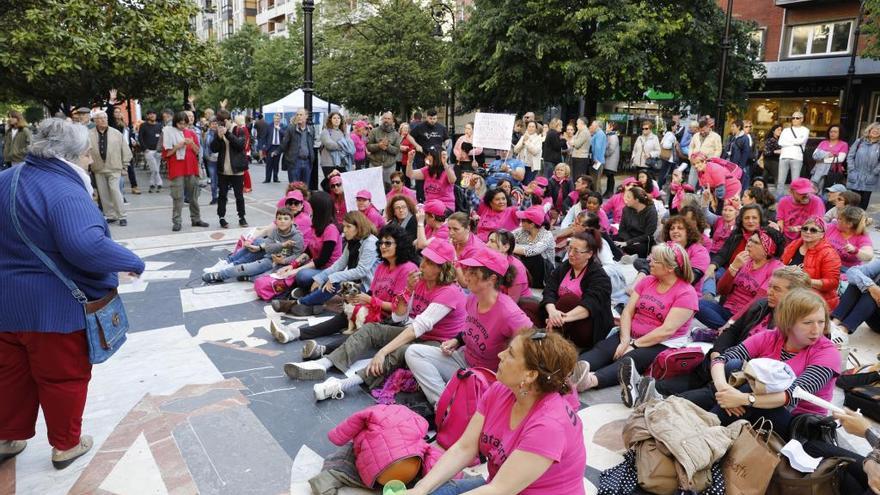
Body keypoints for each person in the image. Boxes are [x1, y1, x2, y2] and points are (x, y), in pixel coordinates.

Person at [0, 118, 145, 469]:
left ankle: (8, 437)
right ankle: (65, 445)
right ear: (70, 155)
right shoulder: (64, 191)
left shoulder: (5, 179)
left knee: (10, 375)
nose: (91, 161)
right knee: (62, 377)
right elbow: (85, 246)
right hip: (54, 310)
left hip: (6, 305)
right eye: (86, 155)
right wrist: (132, 260)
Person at [408, 330, 586, 495]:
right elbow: (465, 447)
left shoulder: (549, 426)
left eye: (510, 354)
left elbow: (499, 490)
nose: (501, 355)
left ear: (530, 375)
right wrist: (420, 489)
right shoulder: (500, 390)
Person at [284, 240, 465, 401]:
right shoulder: (420, 281)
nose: (422, 265)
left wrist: (382, 352)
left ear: (443, 268)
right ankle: (324, 364)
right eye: (424, 259)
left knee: (401, 350)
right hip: (419, 333)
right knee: (371, 329)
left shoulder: (448, 292)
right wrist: (408, 290)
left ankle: (344, 384)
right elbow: (399, 317)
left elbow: (417, 327)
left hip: (438, 343)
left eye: (429, 262)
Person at [647, 267, 811, 411]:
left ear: (794, 295)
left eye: (777, 289)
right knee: (710, 360)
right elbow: (732, 331)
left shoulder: (796, 326)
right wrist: (718, 352)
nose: (770, 292)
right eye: (769, 286)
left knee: (720, 379)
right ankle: (656, 390)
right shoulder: (762, 305)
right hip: (732, 360)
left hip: (751, 378)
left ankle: (665, 399)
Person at [405, 248, 534, 404]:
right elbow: (469, 329)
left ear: (492, 279)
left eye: (473, 273)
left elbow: (532, 346)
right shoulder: (472, 299)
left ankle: (454, 400)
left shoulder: (509, 313)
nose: (466, 276)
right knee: (413, 352)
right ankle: (443, 404)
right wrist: (458, 340)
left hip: (487, 377)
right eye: (468, 270)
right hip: (464, 361)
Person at [707, 289, 840, 434]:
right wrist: (724, 390)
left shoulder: (828, 353)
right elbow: (722, 358)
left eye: (821, 322)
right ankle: (708, 429)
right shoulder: (772, 336)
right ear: (788, 322)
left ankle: (705, 433)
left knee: (750, 385)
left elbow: (792, 395)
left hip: (797, 422)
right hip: (758, 402)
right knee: (732, 368)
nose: (816, 330)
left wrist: (743, 399)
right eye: (808, 323)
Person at [576, 242, 698, 391]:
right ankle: (570, 370)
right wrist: (625, 338)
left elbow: (666, 331)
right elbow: (627, 311)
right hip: (632, 333)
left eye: (655, 260)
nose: (649, 262)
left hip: (661, 343)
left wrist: (634, 345)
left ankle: (589, 381)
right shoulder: (647, 281)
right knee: (604, 348)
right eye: (651, 258)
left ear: (670, 268)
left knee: (631, 359)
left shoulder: (686, 293)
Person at [283, 211, 379, 317]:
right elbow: (339, 265)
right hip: (355, 282)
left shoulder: (370, 243)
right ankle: (313, 303)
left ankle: (300, 303)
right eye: (344, 226)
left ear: (358, 227)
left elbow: (361, 271)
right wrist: (320, 278)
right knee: (326, 280)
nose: (345, 230)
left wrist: (333, 277)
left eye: (348, 227)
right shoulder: (353, 241)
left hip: (369, 287)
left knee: (336, 283)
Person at [696, 229, 784, 329]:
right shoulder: (745, 260)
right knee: (696, 304)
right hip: (727, 310)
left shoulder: (776, 269)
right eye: (750, 240)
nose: (749, 244)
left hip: (747, 318)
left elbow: (756, 303)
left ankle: (728, 332)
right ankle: (726, 333)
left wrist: (732, 322)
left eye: (755, 242)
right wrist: (733, 267)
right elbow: (722, 291)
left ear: (768, 249)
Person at [269, 192, 343, 312]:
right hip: (315, 266)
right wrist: (291, 265)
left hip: (328, 270)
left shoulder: (331, 229)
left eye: (312, 207)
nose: (310, 210)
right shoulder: (316, 226)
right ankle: (302, 293)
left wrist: (295, 270)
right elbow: (308, 251)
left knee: (301, 275)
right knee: (283, 269)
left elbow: (322, 260)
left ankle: (301, 299)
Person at [541, 230, 613, 350]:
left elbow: (590, 305)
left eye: (576, 251)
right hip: (558, 319)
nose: (570, 254)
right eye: (570, 249)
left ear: (589, 254)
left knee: (568, 300)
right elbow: (549, 290)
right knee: (527, 304)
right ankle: (546, 336)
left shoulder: (599, 277)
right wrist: (552, 312)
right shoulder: (564, 267)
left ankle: (547, 344)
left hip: (586, 325)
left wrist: (560, 319)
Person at [203, 207, 304, 283]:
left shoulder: (297, 236)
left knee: (265, 279)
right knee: (245, 268)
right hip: (269, 260)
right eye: (279, 218)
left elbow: (297, 255)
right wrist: (281, 246)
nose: (282, 221)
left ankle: (248, 277)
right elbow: (268, 246)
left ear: (292, 220)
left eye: (286, 219)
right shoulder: (275, 231)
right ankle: (219, 275)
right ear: (276, 220)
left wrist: (283, 260)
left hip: (284, 266)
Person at [703, 204, 768, 298]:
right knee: (708, 273)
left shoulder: (766, 239)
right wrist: (712, 266)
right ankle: (708, 297)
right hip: (727, 271)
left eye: (754, 218)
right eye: (746, 218)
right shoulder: (737, 235)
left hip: (747, 280)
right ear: (741, 220)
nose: (750, 221)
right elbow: (723, 254)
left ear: (760, 220)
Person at [632, 215, 711, 293]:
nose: (675, 231)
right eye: (672, 228)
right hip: (658, 286)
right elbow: (650, 266)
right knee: (643, 263)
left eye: (680, 228)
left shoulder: (700, 251)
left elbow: (691, 279)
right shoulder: (666, 246)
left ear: (688, 232)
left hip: (683, 293)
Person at [780, 216, 841, 310]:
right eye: (805, 228)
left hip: (814, 298)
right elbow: (781, 263)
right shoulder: (794, 244)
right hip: (789, 289)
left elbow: (832, 283)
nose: (808, 232)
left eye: (813, 230)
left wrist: (806, 280)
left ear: (822, 234)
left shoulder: (829, 253)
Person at [163, 111, 208, 232]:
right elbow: (166, 154)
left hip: (191, 169)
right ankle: (177, 221)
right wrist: (177, 146)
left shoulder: (191, 133)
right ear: (175, 123)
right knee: (178, 198)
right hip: (177, 170)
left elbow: (197, 151)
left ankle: (196, 219)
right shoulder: (169, 133)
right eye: (180, 123)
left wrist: (192, 143)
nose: (182, 126)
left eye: (184, 123)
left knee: (194, 196)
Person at [89, 111, 131, 226]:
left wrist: (125, 166)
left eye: (105, 118)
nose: (103, 120)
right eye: (100, 118)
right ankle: (111, 215)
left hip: (114, 167)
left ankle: (122, 215)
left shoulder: (116, 133)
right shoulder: (89, 134)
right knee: (103, 194)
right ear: (95, 121)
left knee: (115, 190)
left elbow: (126, 150)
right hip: (98, 168)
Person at [211, 109, 249, 228]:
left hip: (237, 169)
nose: (220, 125)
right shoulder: (218, 131)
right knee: (222, 195)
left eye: (221, 123)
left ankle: (241, 217)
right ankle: (221, 217)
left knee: (239, 195)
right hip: (223, 169)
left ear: (227, 121)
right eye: (218, 123)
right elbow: (214, 148)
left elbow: (240, 145)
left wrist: (227, 133)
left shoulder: (239, 129)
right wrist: (218, 137)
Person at [832, 254, 880, 335]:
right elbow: (852, 271)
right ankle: (833, 324)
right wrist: (871, 286)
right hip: (873, 315)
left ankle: (842, 331)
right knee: (861, 282)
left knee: (872, 292)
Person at [513, 206, 556, 288]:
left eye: (523, 221)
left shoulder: (547, 235)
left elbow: (534, 250)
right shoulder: (522, 231)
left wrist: (510, 248)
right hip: (528, 268)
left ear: (532, 224)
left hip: (544, 272)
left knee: (534, 257)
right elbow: (507, 238)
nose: (520, 222)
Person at [487, 229, 532, 304]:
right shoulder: (489, 260)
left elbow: (512, 302)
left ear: (506, 247)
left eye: (492, 241)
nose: (487, 245)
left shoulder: (517, 268)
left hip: (519, 306)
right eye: (488, 241)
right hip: (496, 299)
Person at [613, 186, 658, 259]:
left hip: (642, 241)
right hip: (627, 238)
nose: (625, 199)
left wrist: (628, 243)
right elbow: (622, 229)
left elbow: (648, 235)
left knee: (638, 248)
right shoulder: (626, 209)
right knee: (611, 241)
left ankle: (625, 256)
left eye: (628, 197)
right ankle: (624, 255)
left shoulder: (651, 211)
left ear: (636, 200)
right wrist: (627, 241)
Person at [777, 177, 826, 242]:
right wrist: (777, 229)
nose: (806, 195)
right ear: (791, 192)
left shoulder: (816, 201)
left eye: (808, 192)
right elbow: (780, 221)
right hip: (786, 239)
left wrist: (799, 228)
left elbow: (816, 224)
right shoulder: (783, 201)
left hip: (807, 239)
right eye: (801, 193)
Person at [825, 206, 873, 272]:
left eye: (840, 219)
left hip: (847, 270)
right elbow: (816, 227)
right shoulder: (832, 226)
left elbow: (869, 256)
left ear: (849, 224)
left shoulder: (862, 237)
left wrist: (855, 250)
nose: (836, 219)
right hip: (826, 264)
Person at [846, 121, 880, 210]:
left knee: (863, 205)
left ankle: (859, 222)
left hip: (870, 177)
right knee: (852, 203)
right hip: (855, 175)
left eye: (879, 130)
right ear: (869, 130)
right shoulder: (859, 142)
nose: (876, 131)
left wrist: (875, 172)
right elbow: (850, 156)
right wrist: (851, 169)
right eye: (874, 129)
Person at [776, 111, 810, 196]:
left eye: (797, 118)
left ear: (801, 119)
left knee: (795, 182)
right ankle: (778, 200)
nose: (794, 119)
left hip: (797, 157)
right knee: (780, 181)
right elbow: (780, 142)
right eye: (793, 118)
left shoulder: (805, 130)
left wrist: (788, 141)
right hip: (784, 156)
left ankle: (793, 200)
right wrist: (795, 142)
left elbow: (801, 141)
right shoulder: (786, 130)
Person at [810, 124, 848, 192]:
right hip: (818, 169)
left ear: (840, 133)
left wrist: (822, 159)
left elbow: (840, 159)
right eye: (831, 131)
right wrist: (828, 154)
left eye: (835, 132)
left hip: (832, 171)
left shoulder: (843, 144)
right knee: (814, 189)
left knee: (827, 191)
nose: (832, 133)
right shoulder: (823, 143)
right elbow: (814, 156)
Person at [366, 111, 401, 185]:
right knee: (373, 186)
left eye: (388, 118)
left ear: (392, 120)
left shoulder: (396, 135)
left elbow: (397, 150)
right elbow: (368, 147)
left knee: (389, 188)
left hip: (389, 166)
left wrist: (387, 146)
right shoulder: (374, 131)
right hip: (374, 164)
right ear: (382, 119)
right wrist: (378, 145)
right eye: (385, 118)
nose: (386, 120)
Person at [687, 116, 723, 186]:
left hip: (707, 164)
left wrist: (712, 161)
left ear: (709, 128)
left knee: (705, 184)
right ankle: (690, 194)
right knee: (691, 183)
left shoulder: (716, 136)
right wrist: (690, 157)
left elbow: (718, 150)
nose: (702, 132)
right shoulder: (696, 135)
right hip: (695, 163)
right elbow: (691, 147)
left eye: (704, 130)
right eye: (701, 130)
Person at [137, 110, 163, 192]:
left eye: (154, 114)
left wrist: (161, 148)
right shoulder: (143, 125)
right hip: (148, 151)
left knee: (155, 168)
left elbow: (162, 137)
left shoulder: (159, 125)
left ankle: (152, 184)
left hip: (158, 150)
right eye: (150, 114)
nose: (152, 115)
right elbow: (140, 138)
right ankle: (159, 183)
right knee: (155, 168)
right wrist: (145, 149)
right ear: (147, 116)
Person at [726, 119, 752, 189]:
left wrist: (741, 166)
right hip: (730, 164)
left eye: (733, 126)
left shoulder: (744, 138)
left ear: (739, 127)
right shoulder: (732, 137)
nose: (732, 128)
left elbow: (745, 153)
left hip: (737, 165)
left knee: (737, 183)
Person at [262, 113, 287, 183]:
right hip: (270, 147)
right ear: (273, 119)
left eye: (278, 119)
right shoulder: (269, 126)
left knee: (276, 163)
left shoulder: (283, 126)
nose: (277, 120)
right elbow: (265, 136)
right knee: (269, 163)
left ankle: (275, 178)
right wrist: (264, 146)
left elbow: (286, 135)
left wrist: (279, 129)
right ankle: (267, 179)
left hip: (278, 147)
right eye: (275, 119)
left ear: (280, 119)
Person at [603, 121, 620, 198]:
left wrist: (604, 153)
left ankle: (610, 192)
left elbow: (611, 149)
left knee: (610, 176)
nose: (606, 127)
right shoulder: (610, 135)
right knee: (609, 176)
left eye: (607, 126)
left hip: (611, 160)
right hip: (610, 160)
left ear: (611, 127)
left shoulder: (613, 136)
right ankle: (608, 191)